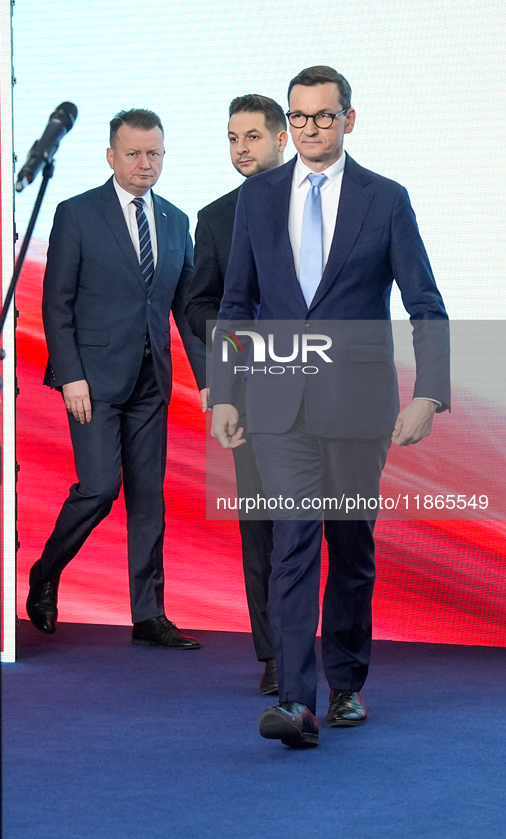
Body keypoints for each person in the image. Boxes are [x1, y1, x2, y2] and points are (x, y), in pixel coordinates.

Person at [210, 66, 449, 747]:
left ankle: (345, 683)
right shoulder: (256, 199)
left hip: (358, 405)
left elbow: (424, 303)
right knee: (292, 542)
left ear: (348, 119)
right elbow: (234, 305)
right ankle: (293, 700)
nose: (311, 127)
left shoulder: (385, 199)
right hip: (276, 404)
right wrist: (226, 393)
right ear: (290, 123)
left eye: (323, 115)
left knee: (349, 545)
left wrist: (429, 393)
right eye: (300, 116)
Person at [27, 108, 206, 650]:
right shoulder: (76, 213)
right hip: (94, 380)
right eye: (133, 153)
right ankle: (45, 572)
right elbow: (55, 303)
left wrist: (213, 379)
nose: (144, 163)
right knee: (101, 487)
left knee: (148, 497)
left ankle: (148, 615)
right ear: (111, 156)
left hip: (153, 380)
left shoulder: (176, 221)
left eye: (154, 153)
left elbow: (189, 310)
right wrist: (70, 375)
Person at [186, 94, 288, 694]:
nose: (241, 149)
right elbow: (200, 302)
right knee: (262, 528)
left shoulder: (320, 205)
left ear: (280, 138)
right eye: (232, 138)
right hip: (252, 393)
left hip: (327, 391)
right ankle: (275, 654)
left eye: (252, 137)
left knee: (337, 527)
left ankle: (341, 657)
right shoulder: (217, 217)